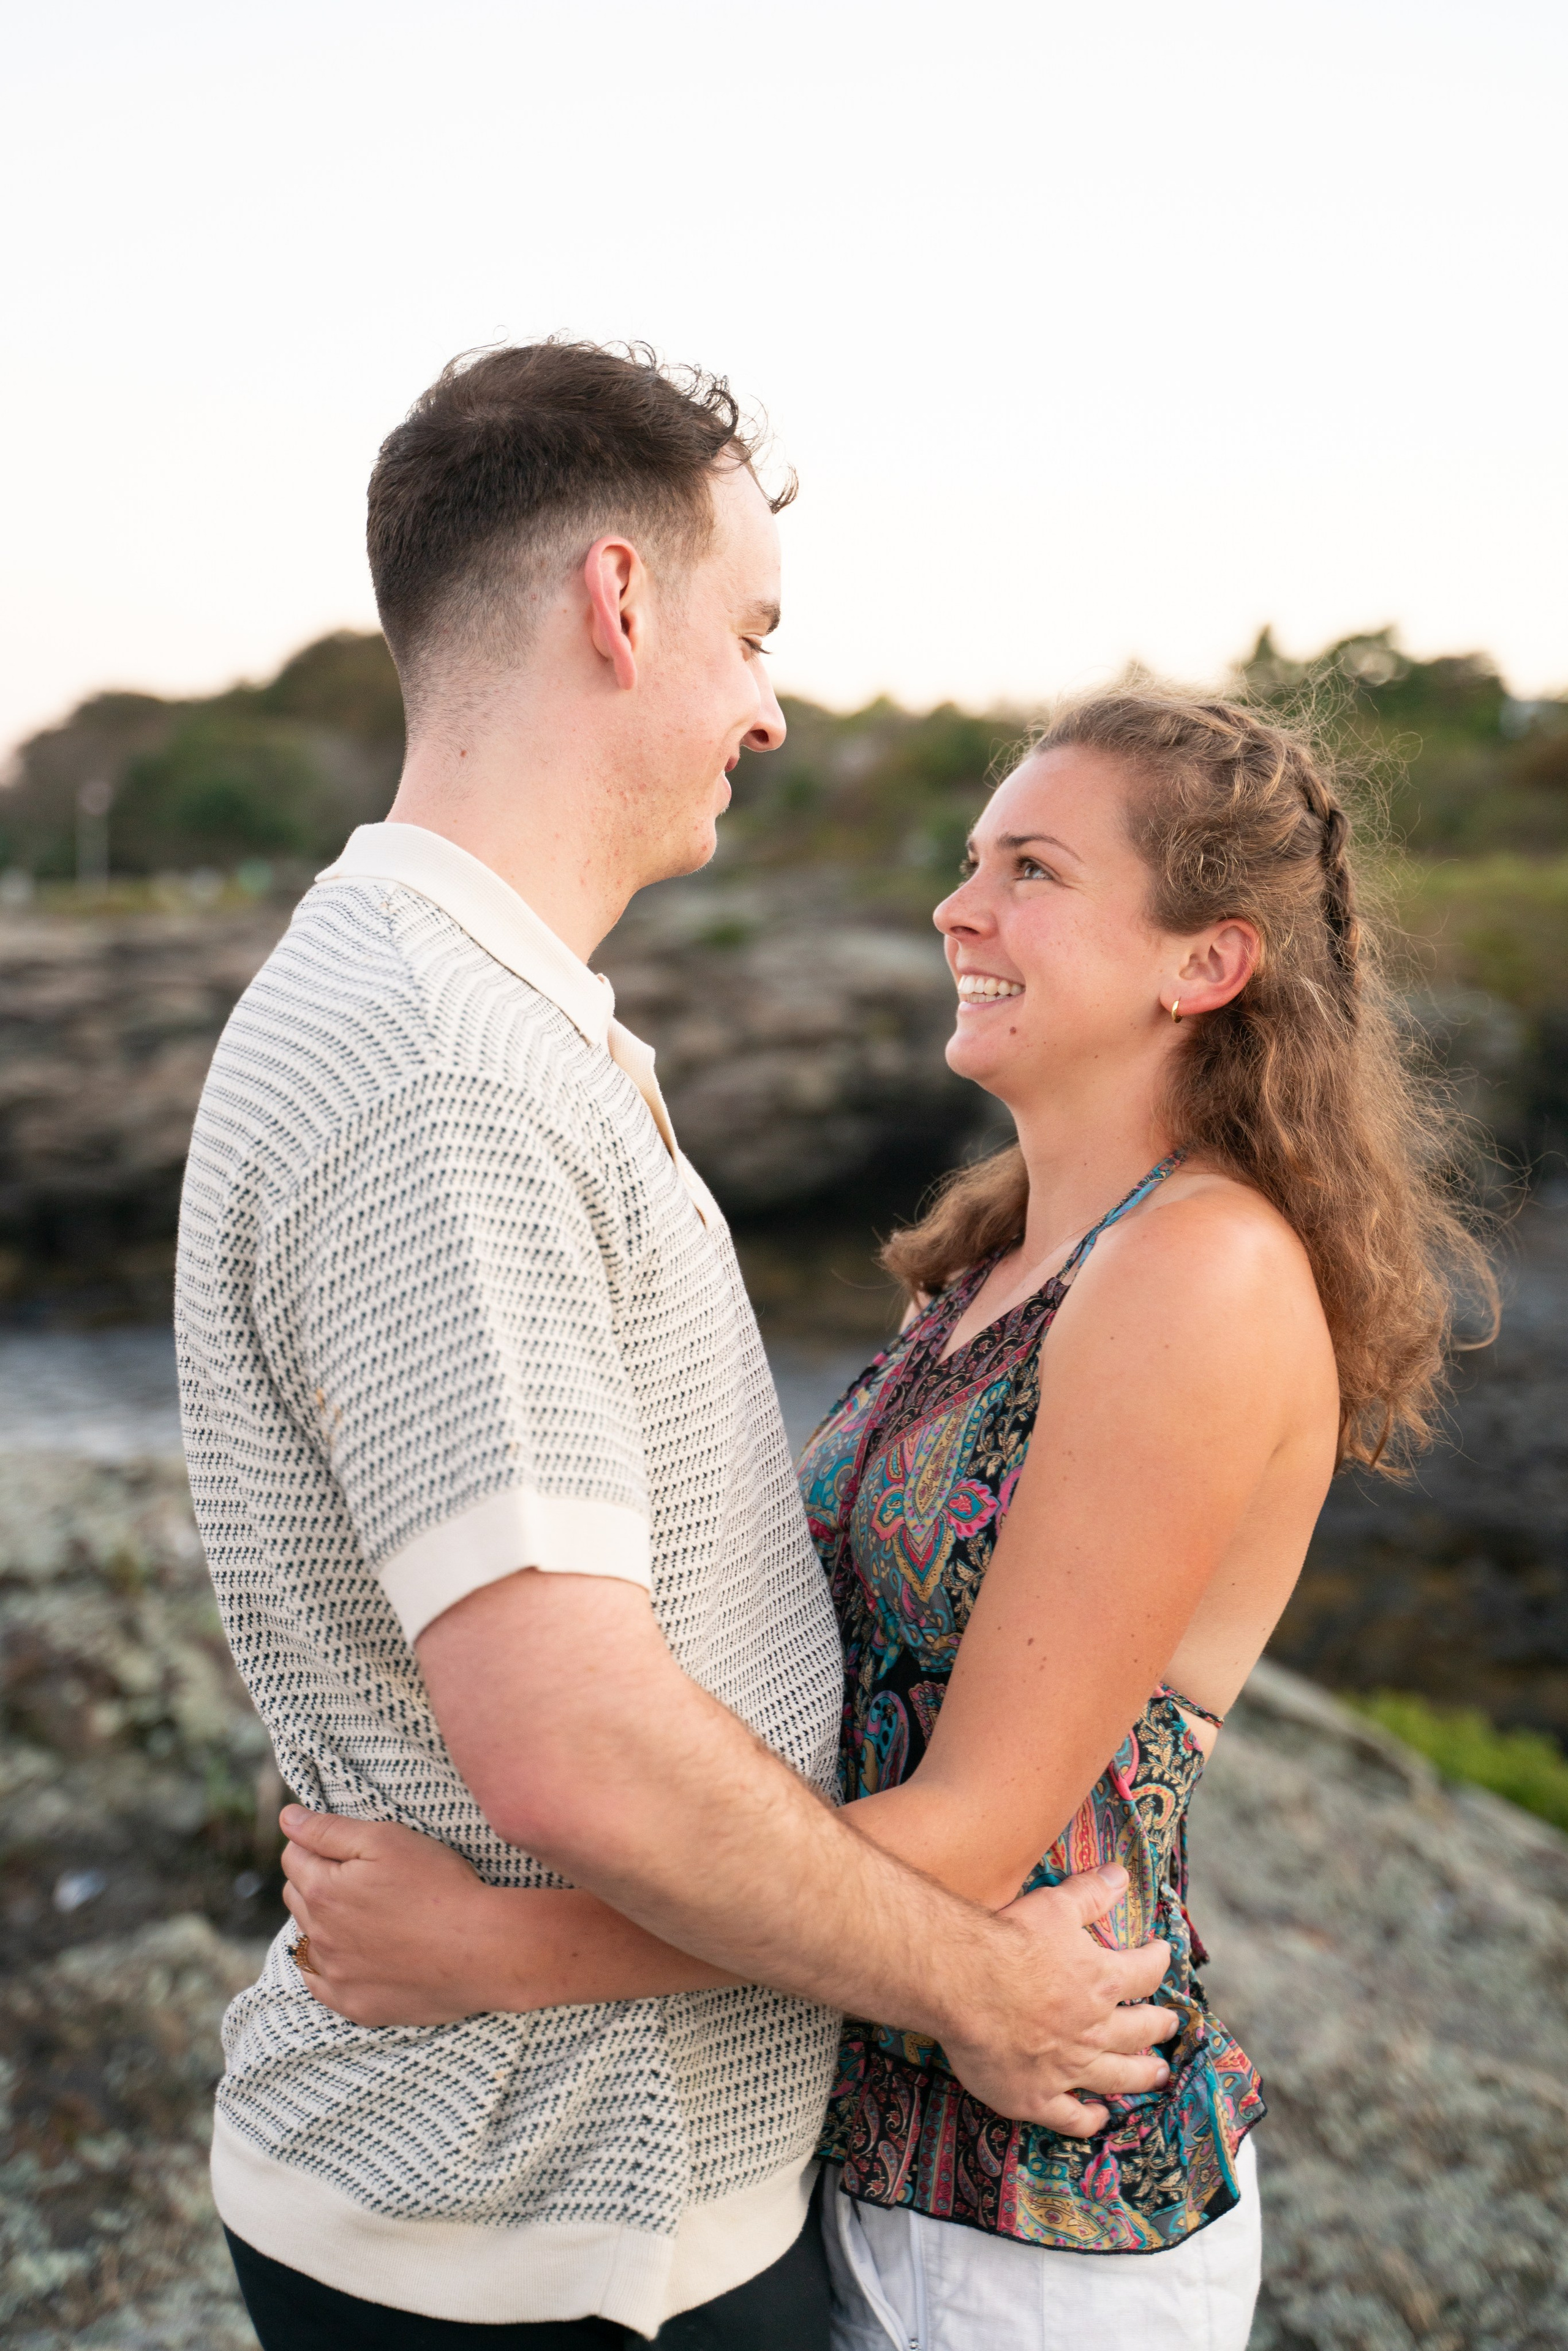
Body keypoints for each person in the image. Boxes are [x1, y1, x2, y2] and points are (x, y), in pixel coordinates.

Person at [278, 686, 1494, 2349]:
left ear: (1203, 963)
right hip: (857, 2148)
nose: (957, 908)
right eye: (972, 857)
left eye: (1034, 872)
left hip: (1031, 2225)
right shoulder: (1007, 1257)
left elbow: (972, 1833)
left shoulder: (1199, 1276)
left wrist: (487, 1951)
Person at [175, 341, 1179, 2351]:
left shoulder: (483, 1015)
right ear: (620, 604)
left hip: (584, 2205)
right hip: (538, 2239)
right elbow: (576, 1748)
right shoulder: (439, 1072)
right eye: (750, 630)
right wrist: (974, 1985)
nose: (769, 706)